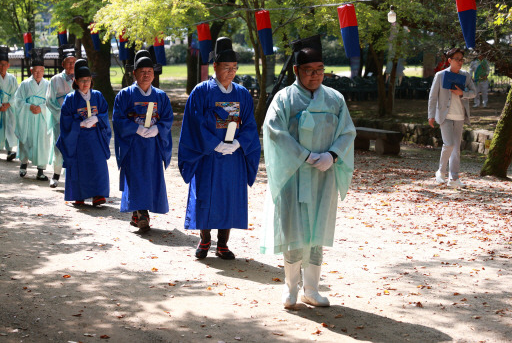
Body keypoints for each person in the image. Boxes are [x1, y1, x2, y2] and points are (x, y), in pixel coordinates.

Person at [260, 35, 356, 309]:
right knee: (293, 229)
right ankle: (290, 288)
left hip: (323, 175)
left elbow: (347, 131)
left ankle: (311, 289)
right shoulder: (284, 98)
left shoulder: (335, 99)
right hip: (293, 174)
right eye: (308, 71)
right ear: (296, 71)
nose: (315, 76)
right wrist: (305, 155)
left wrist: (332, 155)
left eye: (319, 70)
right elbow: (274, 132)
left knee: (316, 232)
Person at [178, 37, 261, 260]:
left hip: (233, 157)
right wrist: (214, 144)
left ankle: (223, 243)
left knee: (229, 197)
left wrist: (238, 143)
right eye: (226, 68)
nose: (231, 72)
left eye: (234, 68)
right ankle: (205, 240)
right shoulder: (201, 92)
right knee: (205, 195)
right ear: (215, 67)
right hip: (207, 155)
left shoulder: (242, 94)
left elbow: (250, 124)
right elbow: (194, 123)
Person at [112, 50, 173, 231]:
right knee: (136, 177)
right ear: (134, 73)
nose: (146, 75)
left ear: (154, 74)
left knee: (150, 177)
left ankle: (138, 213)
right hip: (133, 145)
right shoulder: (124, 95)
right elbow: (118, 119)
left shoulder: (161, 96)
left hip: (153, 145)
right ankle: (142, 213)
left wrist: (157, 129)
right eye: (142, 71)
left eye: (149, 71)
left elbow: (167, 118)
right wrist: (136, 128)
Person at [56, 59, 111, 206]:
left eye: (87, 80)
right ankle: (78, 194)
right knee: (79, 166)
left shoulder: (98, 96)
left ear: (91, 80)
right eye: (82, 80)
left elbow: (104, 113)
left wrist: (97, 119)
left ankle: (98, 194)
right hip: (78, 138)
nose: (85, 83)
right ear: (76, 81)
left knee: (97, 165)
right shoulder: (71, 98)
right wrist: (79, 123)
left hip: (95, 137)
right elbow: (65, 120)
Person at [428, 47, 476, 188]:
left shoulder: (466, 75)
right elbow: (432, 97)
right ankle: (441, 171)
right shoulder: (440, 75)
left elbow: (474, 92)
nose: (460, 62)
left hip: (460, 116)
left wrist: (462, 92)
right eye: (457, 59)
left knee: (456, 149)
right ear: (450, 60)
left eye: (462, 59)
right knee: (449, 144)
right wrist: (431, 115)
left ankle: (454, 179)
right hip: (445, 116)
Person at [13, 49, 51, 180]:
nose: (38, 73)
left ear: (44, 70)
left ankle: (41, 170)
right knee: (26, 140)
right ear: (31, 71)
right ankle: (23, 164)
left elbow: (51, 102)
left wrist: (41, 107)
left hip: (42, 117)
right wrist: (29, 106)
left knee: (42, 142)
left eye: (40, 70)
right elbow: (17, 101)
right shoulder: (24, 84)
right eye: (35, 71)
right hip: (27, 116)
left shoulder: (48, 85)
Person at [46, 44, 76, 188]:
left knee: (75, 147)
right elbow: (49, 101)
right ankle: (56, 174)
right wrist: (62, 115)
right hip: (59, 120)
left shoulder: (80, 79)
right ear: (63, 63)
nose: (71, 65)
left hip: (76, 120)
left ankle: (73, 176)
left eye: (73, 62)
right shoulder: (55, 80)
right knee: (58, 148)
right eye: (68, 62)